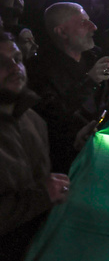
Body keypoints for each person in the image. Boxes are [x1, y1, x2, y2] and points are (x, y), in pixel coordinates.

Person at [28, 2, 109, 173]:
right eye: (83, 22)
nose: (93, 27)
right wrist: (90, 81)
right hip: (71, 161)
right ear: (62, 32)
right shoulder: (39, 69)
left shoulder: (95, 55)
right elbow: (52, 115)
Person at [0, 32, 70, 260]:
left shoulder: (32, 119)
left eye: (18, 59)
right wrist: (42, 195)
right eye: (2, 63)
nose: (15, 68)